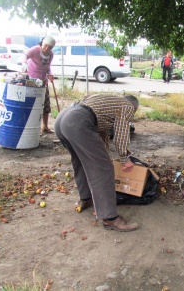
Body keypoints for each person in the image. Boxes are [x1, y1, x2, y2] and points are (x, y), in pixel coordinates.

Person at [54, 94, 139, 232]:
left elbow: (101, 134)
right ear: (134, 107)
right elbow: (121, 134)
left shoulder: (109, 103)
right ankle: (110, 218)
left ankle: (85, 198)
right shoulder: (127, 106)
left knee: (81, 160)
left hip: (62, 119)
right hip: (77, 122)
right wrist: (125, 158)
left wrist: (103, 154)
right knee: (104, 168)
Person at [22, 35, 56, 134]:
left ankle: (45, 126)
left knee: (46, 105)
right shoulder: (35, 50)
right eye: (45, 45)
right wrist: (24, 63)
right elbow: (25, 55)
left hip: (43, 81)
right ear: (42, 43)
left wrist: (50, 74)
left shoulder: (51, 55)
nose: (47, 48)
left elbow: (48, 67)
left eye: (50, 47)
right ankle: (28, 126)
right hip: (32, 82)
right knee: (31, 104)